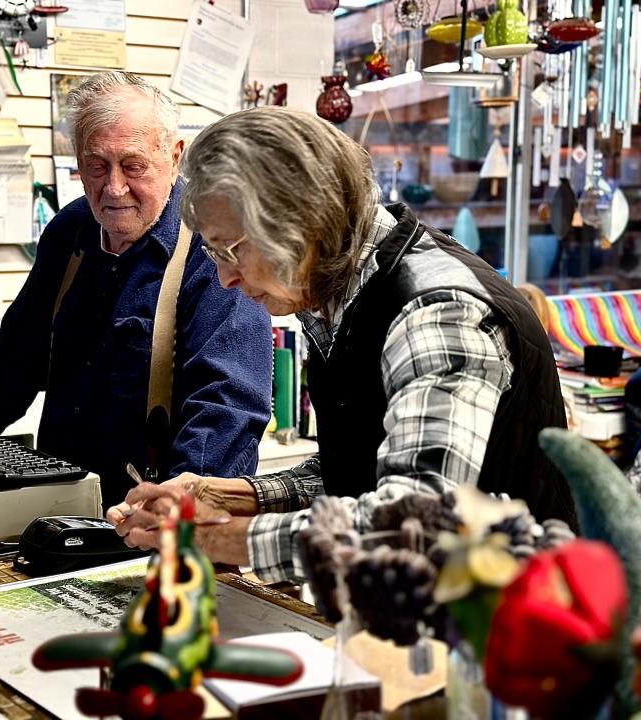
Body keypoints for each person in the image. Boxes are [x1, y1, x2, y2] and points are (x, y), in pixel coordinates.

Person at [108, 106, 577, 583]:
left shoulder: (438, 313)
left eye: (232, 250)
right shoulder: (337, 290)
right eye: (213, 253)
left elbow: (413, 529)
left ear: (301, 222)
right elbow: (363, 470)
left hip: (518, 626)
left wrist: (209, 536)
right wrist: (224, 496)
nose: (225, 278)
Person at [0, 72, 273, 508]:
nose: (113, 188)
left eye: (133, 165)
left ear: (175, 157)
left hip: (148, 515)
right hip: (61, 508)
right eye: (97, 165)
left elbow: (226, 405)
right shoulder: (71, 232)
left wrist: (178, 511)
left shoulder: (213, 247)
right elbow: (14, 360)